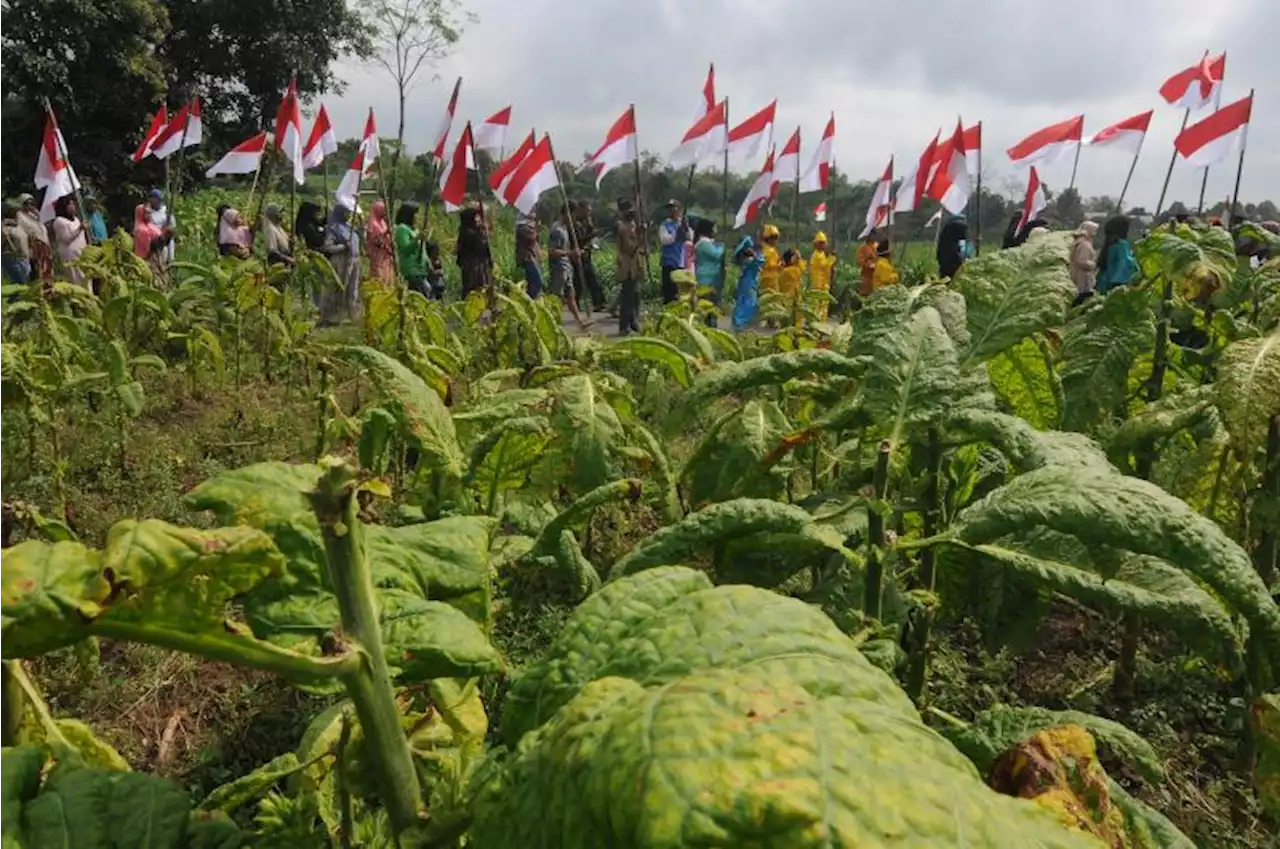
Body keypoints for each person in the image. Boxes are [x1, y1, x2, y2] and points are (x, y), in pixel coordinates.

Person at [548, 205, 589, 330]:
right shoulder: (557, 230)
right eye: (573, 215)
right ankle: (553, 323)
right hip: (558, 267)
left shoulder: (565, 229)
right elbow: (552, 251)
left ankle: (579, 322)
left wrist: (576, 253)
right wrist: (570, 253)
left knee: (571, 294)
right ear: (567, 213)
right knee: (556, 297)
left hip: (566, 266)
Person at [319, 204, 362, 324]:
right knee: (339, 288)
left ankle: (352, 313)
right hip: (342, 260)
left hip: (353, 259)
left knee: (353, 288)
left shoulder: (349, 226)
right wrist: (343, 246)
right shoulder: (334, 228)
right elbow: (328, 246)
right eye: (346, 212)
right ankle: (333, 316)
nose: (349, 215)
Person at [615, 198, 644, 335]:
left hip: (635, 265)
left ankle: (633, 322)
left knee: (635, 295)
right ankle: (624, 326)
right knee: (628, 297)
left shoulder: (632, 225)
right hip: (627, 265)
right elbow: (629, 249)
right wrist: (640, 236)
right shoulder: (623, 227)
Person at [572, 200, 606, 312]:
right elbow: (579, 240)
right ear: (580, 210)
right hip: (577, 255)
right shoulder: (574, 224)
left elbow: (591, 232)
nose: (588, 213)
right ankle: (575, 304)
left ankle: (599, 302)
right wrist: (592, 235)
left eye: (590, 211)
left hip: (587, 255)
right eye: (587, 211)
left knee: (593, 280)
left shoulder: (587, 221)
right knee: (577, 282)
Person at [395, 203, 433, 299]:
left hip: (421, 269)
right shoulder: (402, 229)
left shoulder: (414, 230)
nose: (418, 217)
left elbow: (422, 248)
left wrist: (428, 263)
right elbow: (405, 249)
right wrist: (417, 239)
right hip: (412, 270)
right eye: (416, 214)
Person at [693, 218, 725, 327]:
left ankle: (710, 324)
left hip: (708, 276)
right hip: (707, 278)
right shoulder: (703, 243)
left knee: (710, 303)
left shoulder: (704, 243)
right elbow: (716, 254)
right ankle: (709, 325)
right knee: (709, 303)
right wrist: (722, 247)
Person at [1096, 215, 1139, 295]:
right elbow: (1125, 264)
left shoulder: (1109, 244)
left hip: (1103, 283)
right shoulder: (1121, 245)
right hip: (1115, 285)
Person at [456, 207, 493, 300]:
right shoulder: (467, 233)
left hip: (480, 266)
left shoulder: (471, 231)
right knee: (473, 291)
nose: (478, 221)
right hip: (473, 268)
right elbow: (479, 245)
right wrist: (484, 232)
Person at [50, 196, 88, 285]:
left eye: (73, 204)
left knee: (85, 275)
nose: (73, 206)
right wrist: (80, 229)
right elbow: (67, 238)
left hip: (81, 251)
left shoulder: (76, 219)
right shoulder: (59, 221)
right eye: (70, 204)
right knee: (76, 277)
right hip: (70, 255)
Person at [132, 203, 172, 286]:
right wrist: (163, 235)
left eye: (150, 213)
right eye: (147, 213)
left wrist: (167, 236)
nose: (150, 215)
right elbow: (152, 245)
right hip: (147, 261)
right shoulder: (140, 229)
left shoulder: (151, 226)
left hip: (158, 259)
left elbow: (161, 242)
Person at [658, 200, 690, 303]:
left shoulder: (683, 224)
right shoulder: (664, 225)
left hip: (680, 262)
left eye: (674, 207)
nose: (672, 210)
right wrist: (677, 233)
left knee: (679, 292)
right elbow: (664, 240)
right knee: (668, 292)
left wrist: (685, 230)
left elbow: (690, 238)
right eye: (670, 208)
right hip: (668, 262)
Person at [731, 237, 764, 331]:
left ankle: (740, 322)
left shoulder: (746, 261)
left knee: (744, 301)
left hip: (747, 282)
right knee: (748, 302)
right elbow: (760, 261)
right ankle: (740, 322)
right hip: (749, 282)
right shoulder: (750, 261)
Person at [16, 194, 51, 281]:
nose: (29, 206)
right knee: (38, 272)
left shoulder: (34, 215)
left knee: (47, 271)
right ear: (21, 204)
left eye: (32, 204)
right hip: (33, 248)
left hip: (44, 247)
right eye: (26, 203)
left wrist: (39, 215)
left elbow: (43, 229)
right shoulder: (19, 216)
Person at [0, 203, 31, 284]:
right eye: (18, 214)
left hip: (24, 260)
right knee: (19, 288)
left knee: (24, 286)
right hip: (13, 260)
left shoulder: (19, 226)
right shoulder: (5, 228)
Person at [515, 212, 544, 298]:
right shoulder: (522, 227)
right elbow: (531, 237)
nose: (534, 214)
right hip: (527, 258)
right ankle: (529, 299)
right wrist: (537, 229)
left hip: (533, 257)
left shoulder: (530, 226)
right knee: (537, 281)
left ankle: (530, 299)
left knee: (533, 282)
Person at [1070, 221, 1099, 306]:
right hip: (1083, 278)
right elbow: (1082, 261)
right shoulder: (1084, 245)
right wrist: (1094, 264)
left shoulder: (1080, 242)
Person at [809, 231, 836, 321]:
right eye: (820, 243)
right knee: (817, 301)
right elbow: (825, 265)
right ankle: (816, 320)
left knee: (824, 301)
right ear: (816, 244)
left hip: (824, 281)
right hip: (818, 282)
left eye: (823, 243)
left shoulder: (822, 254)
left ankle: (822, 319)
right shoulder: (817, 255)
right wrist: (832, 258)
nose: (822, 245)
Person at [365, 200, 394, 283]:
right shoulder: (373, 224)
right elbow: (374, 240)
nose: (385, 212)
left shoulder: (383, 222)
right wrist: (385, 233)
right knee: (378, 277)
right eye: (383, 210)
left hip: (386, 255)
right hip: (377, 256)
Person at [146, 189, 175, 265]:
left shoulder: (166, 214)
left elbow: (171, 234)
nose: (153, 201)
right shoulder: (146, 212)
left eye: (156, 199)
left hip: (163, 244)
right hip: (150, 245)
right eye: (151, 198)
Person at [937, 214, 969, 280]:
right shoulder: (950, 241)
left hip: (946, 265)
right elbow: (956, 257)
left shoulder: (947, 236)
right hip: (950, 267)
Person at [759, 224, 782, 297]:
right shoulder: (769, 250)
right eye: (774, 238)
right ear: (768, 239)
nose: (776, 241)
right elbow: (771, 265)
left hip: (769, 279)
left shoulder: (767, 249)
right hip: (769, 280)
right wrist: (780, 264)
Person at [856, 230, 879, 298]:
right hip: (866, 276)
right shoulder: (863, 248)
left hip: (877, 276)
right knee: (865, 295)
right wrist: (867, 259)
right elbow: (859, 262)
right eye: (871, 235)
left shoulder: (878, 246)